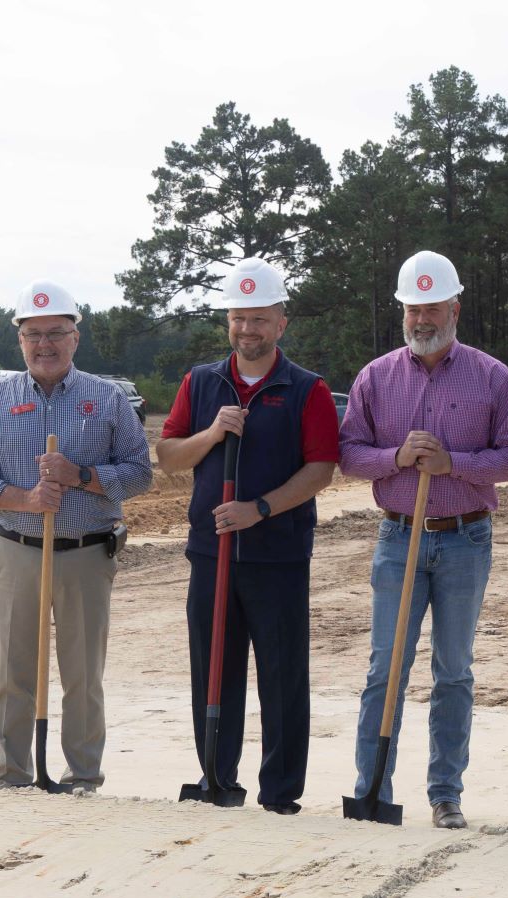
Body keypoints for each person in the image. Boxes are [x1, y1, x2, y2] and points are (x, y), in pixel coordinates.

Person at [338, 251, 508, 829]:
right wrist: (396, 457)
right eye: (413, 309)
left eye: (432, 308)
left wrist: (454, 464)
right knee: (385, 669)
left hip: (465, 540)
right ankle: (372, 789)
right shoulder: (376, 378)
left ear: (455, 309)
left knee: (453, 672)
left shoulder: (493, 377)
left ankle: (445, 793)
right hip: (398, 538)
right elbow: (348, 455)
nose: (422, 320)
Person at [155, 258, 339, 814]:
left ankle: (280, 792)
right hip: (211, 553)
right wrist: (212, 433)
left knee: (282, 677)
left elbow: (321, 469)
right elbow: (168, 456)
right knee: (214, 669)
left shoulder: (307, 388)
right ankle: (216, 777)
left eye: (259, 318)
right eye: (238, 318)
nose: (247, 329)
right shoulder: (200, 382)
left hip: (278, 556)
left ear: (281, 322)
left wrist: (260, 509)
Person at [0, 280, 153, 792]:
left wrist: (79, 476)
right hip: (17, 550)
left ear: (75, 337)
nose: (45, 344)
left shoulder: (106, 398)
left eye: (56, 333)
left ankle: (82, 776)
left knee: (82, 675)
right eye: (34, 334)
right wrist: (26, 499)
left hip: (86, 552)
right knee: (14, 672)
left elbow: (139, 473)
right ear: (20, 340)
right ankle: (12, 775)